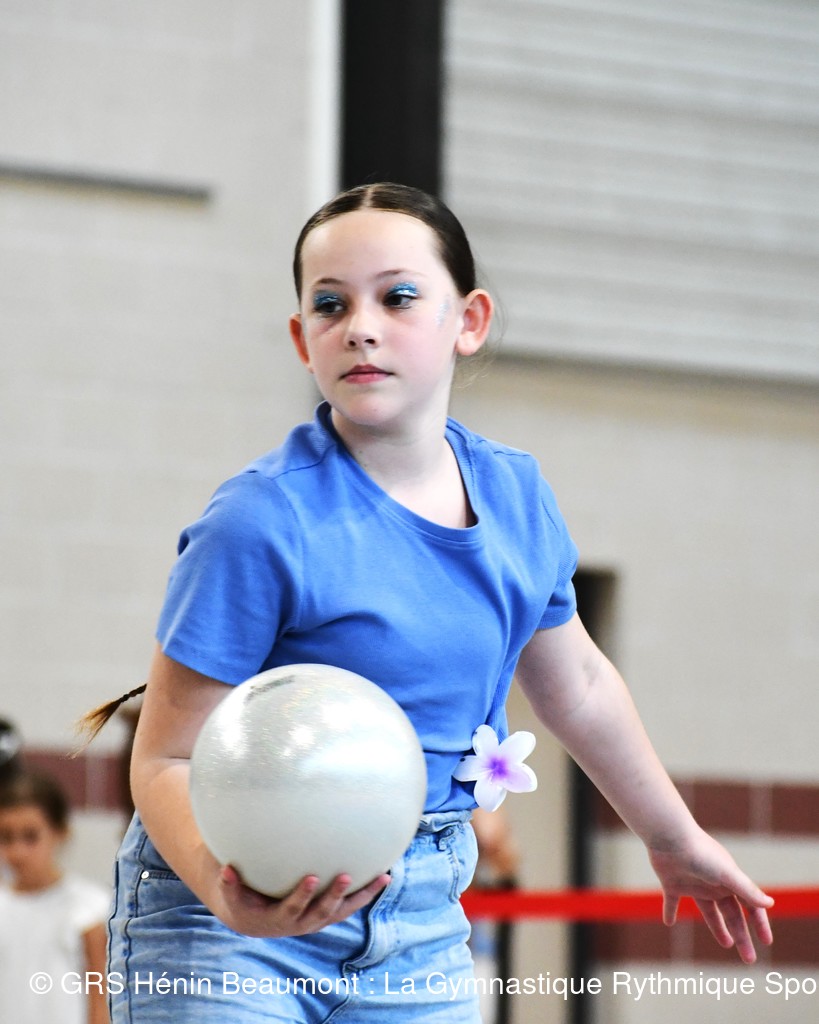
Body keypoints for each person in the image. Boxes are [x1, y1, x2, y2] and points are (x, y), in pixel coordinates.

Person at [86, 182, 772, 1023]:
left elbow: (580, 687)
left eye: (398, 296)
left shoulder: (515, 496)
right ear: (302, 340)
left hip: (418, 915)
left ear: (468, 320)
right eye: (330, 305)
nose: (360, 326)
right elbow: (164, 758)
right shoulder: (259, 521)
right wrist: (225, 892)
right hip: (230, 912)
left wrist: (673, 837)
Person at [0, 769, 111, 1024]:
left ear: (60, 832)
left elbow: (100, 1002)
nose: (17, 851)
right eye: (6, 837)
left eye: (30, 836)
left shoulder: (90, 908)